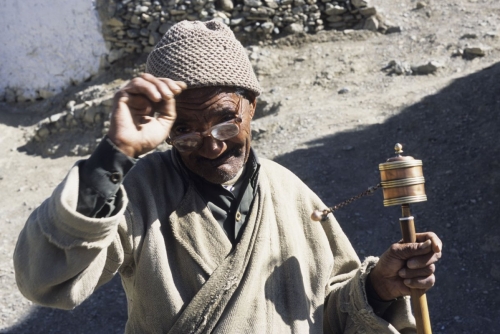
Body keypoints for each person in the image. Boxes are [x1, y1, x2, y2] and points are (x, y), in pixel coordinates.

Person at [13, 20, 442, 333]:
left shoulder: (289, 191)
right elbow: (43, 279)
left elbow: (325, 313)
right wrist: (117, 151)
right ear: (163, 127)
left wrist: (380, 288)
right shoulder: (139, 192)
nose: (212, 146)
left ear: (251, 104)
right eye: (184, 131)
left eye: (225, 123)